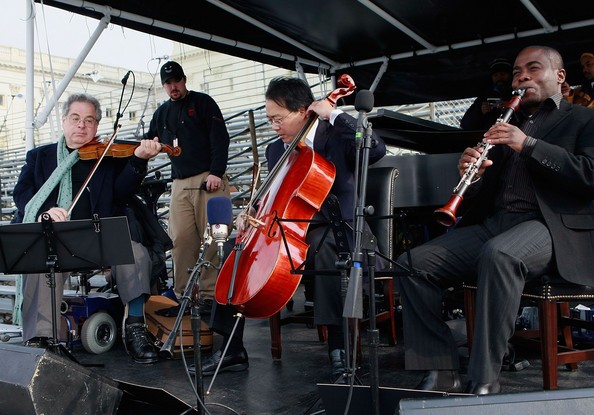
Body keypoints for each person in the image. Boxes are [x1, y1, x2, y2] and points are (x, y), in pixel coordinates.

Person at [396, 45, 594, 395]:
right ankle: (439, 368)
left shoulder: (583, 120)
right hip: (497, 222)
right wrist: (472, 178)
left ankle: (484, 377)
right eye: (518, 72)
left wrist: (528, 144)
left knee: (500, 255)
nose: (523, 77)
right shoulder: (504, 122)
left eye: (534, 69)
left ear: (560, 77)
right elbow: (485, 194)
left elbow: (589, 175)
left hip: (549, 229)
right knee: (413, 262)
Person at [193, 76, 387, 381]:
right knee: (235, 249)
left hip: (338, 228)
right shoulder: (276, 150)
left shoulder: (335, 136)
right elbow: (276, 195)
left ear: (303, 111)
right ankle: (231, 347)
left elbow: (375, 150)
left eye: (278, 119)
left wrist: (334, 113)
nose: (273, 126)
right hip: (290, 227)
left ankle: (341, 350)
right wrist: (252, 211)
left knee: (326, 254)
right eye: (269, 119)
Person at [12, 93, 163, 363]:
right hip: (56, 239)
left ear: (96, 126)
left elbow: (121, 194)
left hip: (98, 238)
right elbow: (22, 194)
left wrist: (138, 160)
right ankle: (43, 338)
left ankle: (136, 329)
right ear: (64, 121)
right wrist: (46, 211)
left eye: (89, 120)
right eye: (76, 118)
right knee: (38, 260)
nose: (82, 125)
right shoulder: (39, 157)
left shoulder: (106, 157)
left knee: (135, 252)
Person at [146, 61, 231, 316]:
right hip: (180, 182)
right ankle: (184, 294)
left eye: (177, 82)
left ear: (184, 80)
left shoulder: (204, 102)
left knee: (215, 238)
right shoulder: (161, 113)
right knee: (180, 239)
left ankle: (209, 295)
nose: (173, 87)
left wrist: (216, 171)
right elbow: (151, 141)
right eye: (168, 84)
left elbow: (220, 137)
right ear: (164, 86)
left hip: (209, 177)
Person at [460, 58, 513, 130]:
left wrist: (511, 108)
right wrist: (480, 112)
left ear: (511, 75)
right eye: (495, 75)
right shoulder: (484, 96)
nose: (499, 78)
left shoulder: (518, 94)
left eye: (503, 74)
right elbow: (465, 125)